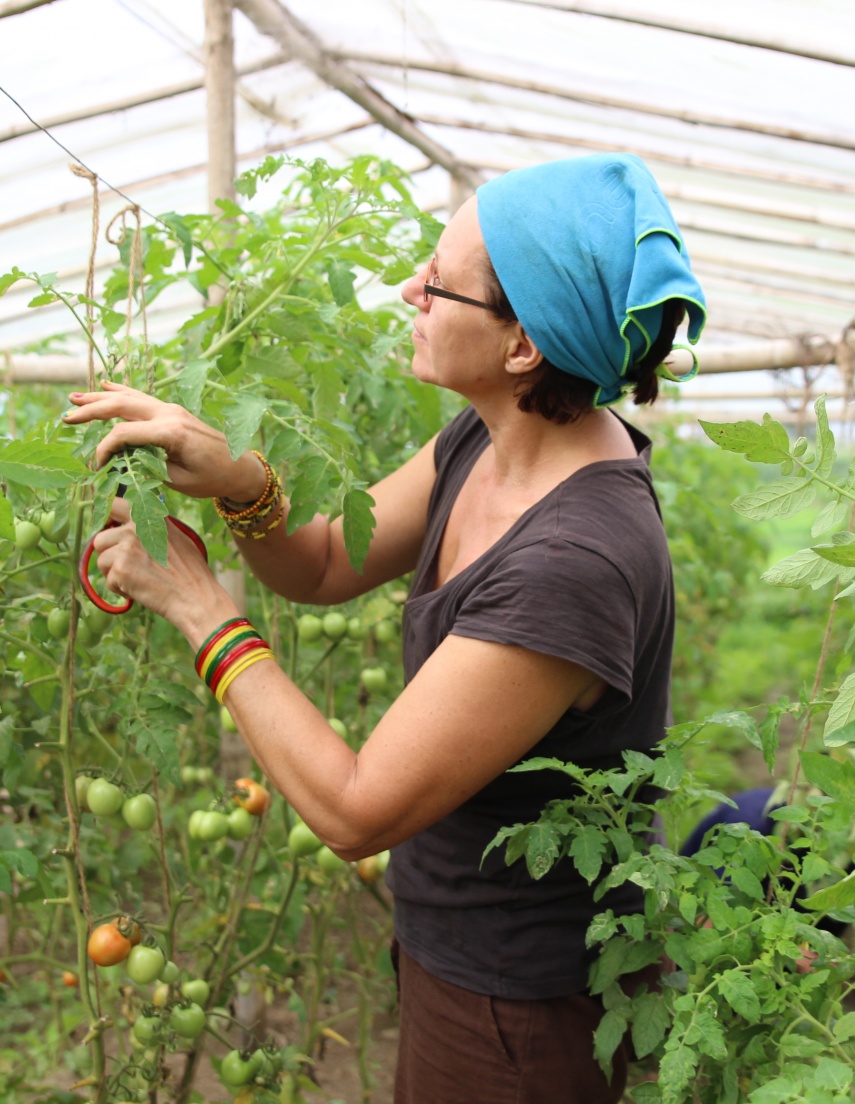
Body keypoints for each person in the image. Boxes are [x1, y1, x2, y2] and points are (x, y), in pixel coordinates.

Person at [64, 152, 707, 1104]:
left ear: (523, 346)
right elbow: (324, 563)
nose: (411, 288)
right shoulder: (492, 437)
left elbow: (359, 808)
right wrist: (238, 476)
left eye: (438, 282)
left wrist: (203, 610)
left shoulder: (573, 558)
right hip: (456, 948)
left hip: (521, 1003)